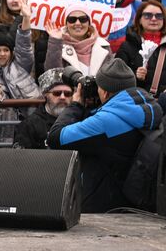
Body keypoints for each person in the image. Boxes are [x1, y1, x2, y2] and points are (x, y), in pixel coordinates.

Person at [48, 57, 162, 212]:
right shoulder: (150, 108)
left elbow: (55, 137)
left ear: (105, 92)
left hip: (105, 209)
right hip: (135, 204)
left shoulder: (106, 122)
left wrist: (75, 105)